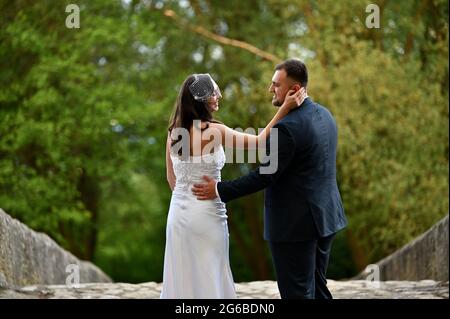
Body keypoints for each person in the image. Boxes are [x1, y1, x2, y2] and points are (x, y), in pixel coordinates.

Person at [192, 59, 348, 299]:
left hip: (295, 227)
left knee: (296, 293)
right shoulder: (325, 115)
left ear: (293, 90)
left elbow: (264, 176)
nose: (270, 89)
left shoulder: (286, 128)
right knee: (318, 289)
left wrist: (219, 189)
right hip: (326, 218)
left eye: (276, 85)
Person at [161, 73, 306, 298]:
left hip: (178, 215)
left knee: (183, 275)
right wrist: (285, 107)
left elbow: (172, 180)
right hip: (207, 213)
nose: (218, 96)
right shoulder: (214, 131)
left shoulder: (172, 134)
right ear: (200, 100)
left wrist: (185, 201)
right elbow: (260, 141)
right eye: (213, 94)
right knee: (211, 272)